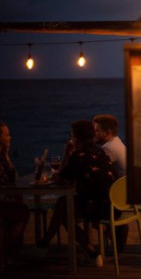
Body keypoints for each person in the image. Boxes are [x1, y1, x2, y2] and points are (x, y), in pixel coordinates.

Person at [36, 120, 118, 267]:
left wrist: (67, 153)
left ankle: (46, 243)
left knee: (63, 207)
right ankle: (90, 251)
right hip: (112, 206)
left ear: (75, 138)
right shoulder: (101, 152)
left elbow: (61, 178)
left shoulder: (79, 156)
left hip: (97, 208)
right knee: (64, 205)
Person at [93, 114, 129, 253]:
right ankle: (112, 233)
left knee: (88, 206)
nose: (93, 134)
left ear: (107, 133)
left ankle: (111, 232)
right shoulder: (117, 142)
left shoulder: (107, 149)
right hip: (126, 194)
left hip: (118, 199)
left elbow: (96, 173)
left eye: (96, 131)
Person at [0, 121, 30, 271]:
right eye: (6, 135)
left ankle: (9, 253)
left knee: (19, 205)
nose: (10, 138)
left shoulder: (1, 156)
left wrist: (6, 156)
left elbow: (13, 178)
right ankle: (4, 253)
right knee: (22, 212)